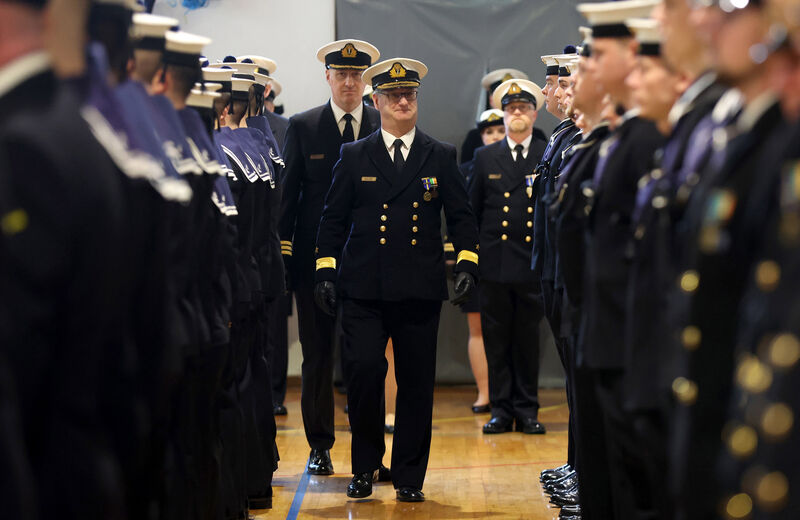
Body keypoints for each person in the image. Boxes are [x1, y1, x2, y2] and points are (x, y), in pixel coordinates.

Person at [313, 57, 479, 502]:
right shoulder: (354, 155)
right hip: (363, 288)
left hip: (419, 290)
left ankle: (409, 475)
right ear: (377, 101)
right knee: (365, 375)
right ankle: (365, 466)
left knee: (417, 383)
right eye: (394, 95)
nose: (403, 101)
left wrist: (467, 265)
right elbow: (331, 220)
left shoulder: (439, 155)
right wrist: (325, 271)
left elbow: (463, 218)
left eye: (410, 95)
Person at [575, 1, 665, 517]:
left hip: (630, 334)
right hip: (606, 326)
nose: (588, 67)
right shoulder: (623, 138)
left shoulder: (642, 138)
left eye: (597, 55)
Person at [279, 39, 382, 476]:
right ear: (328, 77)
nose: (349, 83)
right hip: (313, 262)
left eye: (356, 75)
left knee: (366, 360)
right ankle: (319, 444)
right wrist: (283, 258)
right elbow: (288, 201)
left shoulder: (381, 121)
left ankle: (368, 452)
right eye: (341, 74)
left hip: (368, 262)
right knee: (318, 358)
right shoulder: (304, 127)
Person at [469, 78, 548, 435]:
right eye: (512, 108)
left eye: (524, 108)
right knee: (497, 341)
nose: (518, 114)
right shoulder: (486, 156)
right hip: (496, 264)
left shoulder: (547, 152)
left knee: (528, 342)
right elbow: (472, 210)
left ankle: (527, 409)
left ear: (534, 113)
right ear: (503, 114)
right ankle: (501, 409)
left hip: (531, 264)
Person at [458, 108, 505, 414]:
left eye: (499, 131)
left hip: (510, 262)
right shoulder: (466, 169)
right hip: (479, 260)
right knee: (477, 328)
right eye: (489, 132)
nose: (494, 137)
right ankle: (485, 392)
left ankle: (508, 395)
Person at [460, 68, 529, 163]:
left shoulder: (534, 134)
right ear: (491, 99)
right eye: (501, 97)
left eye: (511, 98)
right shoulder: (475, 137)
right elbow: (465, 171)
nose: (507, 103)